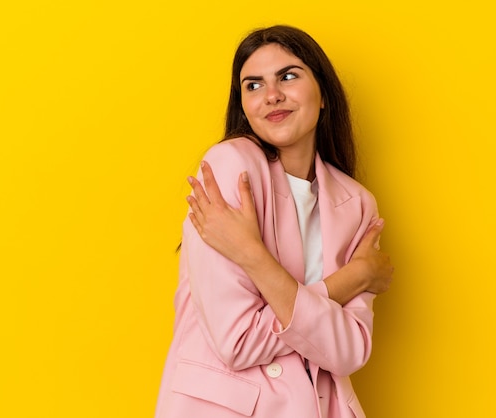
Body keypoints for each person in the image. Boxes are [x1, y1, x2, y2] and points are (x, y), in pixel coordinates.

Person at [155, 25, 394, 418]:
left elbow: (349, 351)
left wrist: (252, 258)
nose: (271, 96)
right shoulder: (231, 167)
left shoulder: (356, 204)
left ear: (323, 96)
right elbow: (239, 342)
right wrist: (353, 278)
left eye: (288, 76)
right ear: (244, 106)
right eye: (253, 85)